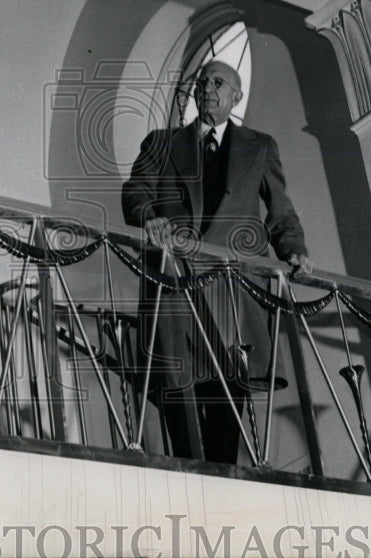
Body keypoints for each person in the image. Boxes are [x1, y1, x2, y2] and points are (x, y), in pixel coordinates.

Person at [121, 59, 312, 464]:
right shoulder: (161, 142)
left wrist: (293, 249)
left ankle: (222, 484)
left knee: (227, 403)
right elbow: (134, 191)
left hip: (232, 294)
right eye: (202, 81)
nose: (208, 87)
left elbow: (281, 210)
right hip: (175, 290)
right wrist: (148, 216)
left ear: (236, 95)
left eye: (218, 82)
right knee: (178, 395)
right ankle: (190, 488)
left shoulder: (260, 146)